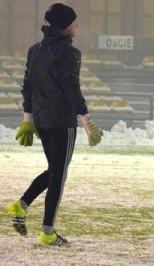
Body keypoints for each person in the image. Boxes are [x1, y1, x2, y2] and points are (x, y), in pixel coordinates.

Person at [6, 3, 103, 246]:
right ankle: (47, 232)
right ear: (66, 25)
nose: (77, 26)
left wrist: (27, 120)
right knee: (58, 175)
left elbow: (28, 86)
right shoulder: (70, 53)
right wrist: (87, 122)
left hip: (42, 119)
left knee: (54, 170)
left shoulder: (35, 50)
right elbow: (71, 89)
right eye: (74, 22)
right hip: (62, 120)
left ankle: (21, 206)